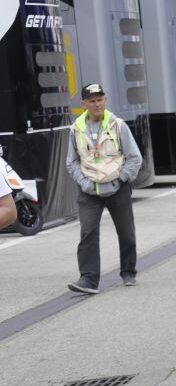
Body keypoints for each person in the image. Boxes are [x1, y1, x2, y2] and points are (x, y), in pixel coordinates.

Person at [65, 83, 143, 294]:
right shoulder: (76, 129)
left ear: (105, 100)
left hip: (117, 186)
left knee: (126, 232)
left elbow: (134, 158)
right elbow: (71, 162)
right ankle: (88, 280)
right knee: (88, 233)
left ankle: (128, 272)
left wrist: (121, 179)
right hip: (89, 190)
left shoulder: (118, 125)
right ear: (84, 104)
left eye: (100, 99)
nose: (97, 104)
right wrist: (84, 183)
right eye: (92, 100)